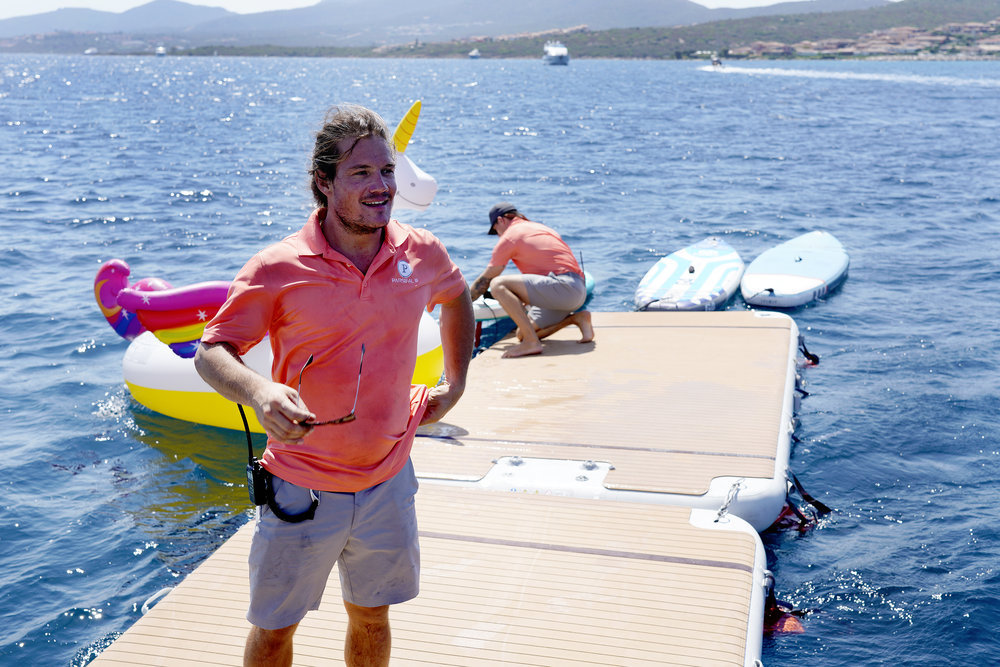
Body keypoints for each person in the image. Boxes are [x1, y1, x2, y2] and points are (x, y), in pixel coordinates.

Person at [193, 104, 474, 667]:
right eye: (361, 173)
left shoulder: (421, 251)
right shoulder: (277, 267)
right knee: (275, 630)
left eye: (387, 171)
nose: (382, 186)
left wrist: (456, 382)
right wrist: (261, 392)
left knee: (372, 615)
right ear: (323, 182)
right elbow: (211, 353)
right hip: (301, 488)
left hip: (389, 480)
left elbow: (458, 300)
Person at [468, 202, 593, 358]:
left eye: (495, 230)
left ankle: (531, 342)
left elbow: (485, 280)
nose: (498, 235)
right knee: (521, 333)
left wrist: (461, 305)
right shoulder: (541, 228)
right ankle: (577, 319)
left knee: (497, 285)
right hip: (577, 289)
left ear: (501, 220)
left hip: (564, 288)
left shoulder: (510, 236)